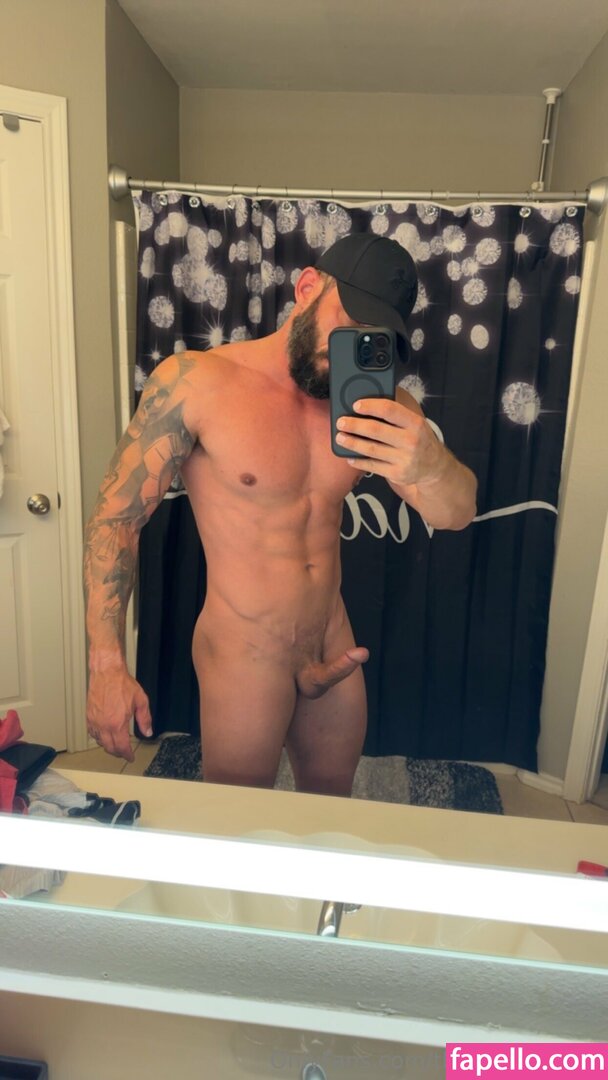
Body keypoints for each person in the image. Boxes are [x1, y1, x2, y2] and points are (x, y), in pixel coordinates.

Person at [83, 233, 477, 795]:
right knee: (240, 828)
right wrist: (106, 664)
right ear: (308, 287)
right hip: (245, 651)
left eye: (375, 334)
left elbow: (458, 513)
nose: (355, 343)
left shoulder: (379, 406)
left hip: (331, 642)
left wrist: (432, 465)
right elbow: (115, 520)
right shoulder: (196, 383)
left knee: (328, 810)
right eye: (350, 319)